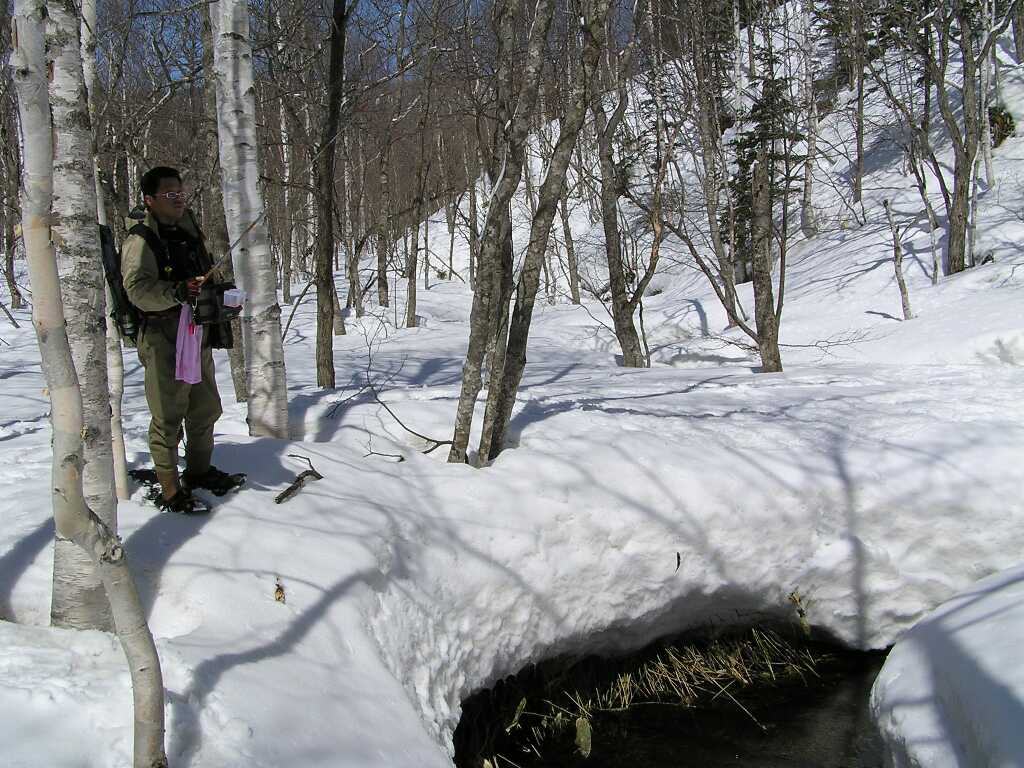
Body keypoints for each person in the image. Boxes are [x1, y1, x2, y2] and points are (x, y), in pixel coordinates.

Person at [121, 166, 241, 513]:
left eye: (180, 193)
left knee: (205, 408)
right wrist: (175, 291)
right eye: (169, 194)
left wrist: (223, 298)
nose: (178, 199)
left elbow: (202, 277)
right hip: (163, 338)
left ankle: (199, 472)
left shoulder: (188, 231)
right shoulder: (141, 240)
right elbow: (137, 290)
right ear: (149, 199)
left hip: (196, 332)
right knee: (168, 416)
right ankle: (171, 489)